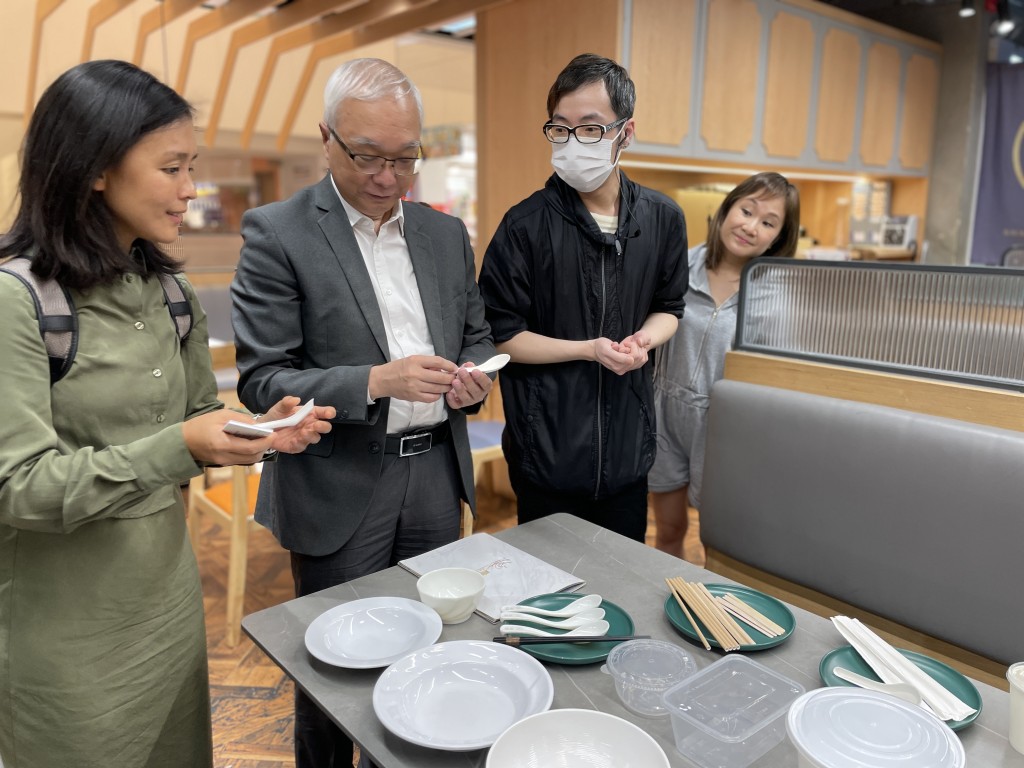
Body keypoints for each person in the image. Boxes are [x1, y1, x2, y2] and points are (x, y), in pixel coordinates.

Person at [0, 60, 333, 768]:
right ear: (95, 168)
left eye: (193, 166)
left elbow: (200, 419)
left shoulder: (167, 290)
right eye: (172, 167)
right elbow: (19, 487)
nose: (191, 190)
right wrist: (180, 442)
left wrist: (262, 430)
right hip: (68, 639)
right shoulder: (16, 303)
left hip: (172, 612)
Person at [231, 58, 494, 768]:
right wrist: (376, 380)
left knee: (430, 656)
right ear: (327, 139)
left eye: (405, 156)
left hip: (436, 476)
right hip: (340, 482)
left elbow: (474, 335)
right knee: (335, 673)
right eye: (368, 156)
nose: (388, 176)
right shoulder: (279, 233)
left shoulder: (445, 235)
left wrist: (474, 380)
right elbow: (263, 380)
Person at [478, 53, 689, 542]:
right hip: (545, 450)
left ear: (625, 133)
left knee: (621, 586)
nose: (574, 143)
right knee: (551, 596)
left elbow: (670, 308)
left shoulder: (662, 218)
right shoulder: (525, 225)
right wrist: (585, 349)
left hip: (629, 453)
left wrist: (644, 339)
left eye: (591, 128)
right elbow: (501, 335)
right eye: (560, 128)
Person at [649, 172, 800, 558]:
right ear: (726, 209)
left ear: (779, 237)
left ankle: (708, 614)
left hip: (723, 427)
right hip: (662, 411)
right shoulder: (679, 265)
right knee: (668, 530)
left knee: (718, 542)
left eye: (768, 222)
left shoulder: (776, 294)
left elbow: (775, 377)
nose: (751, 226)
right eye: (746, 210)